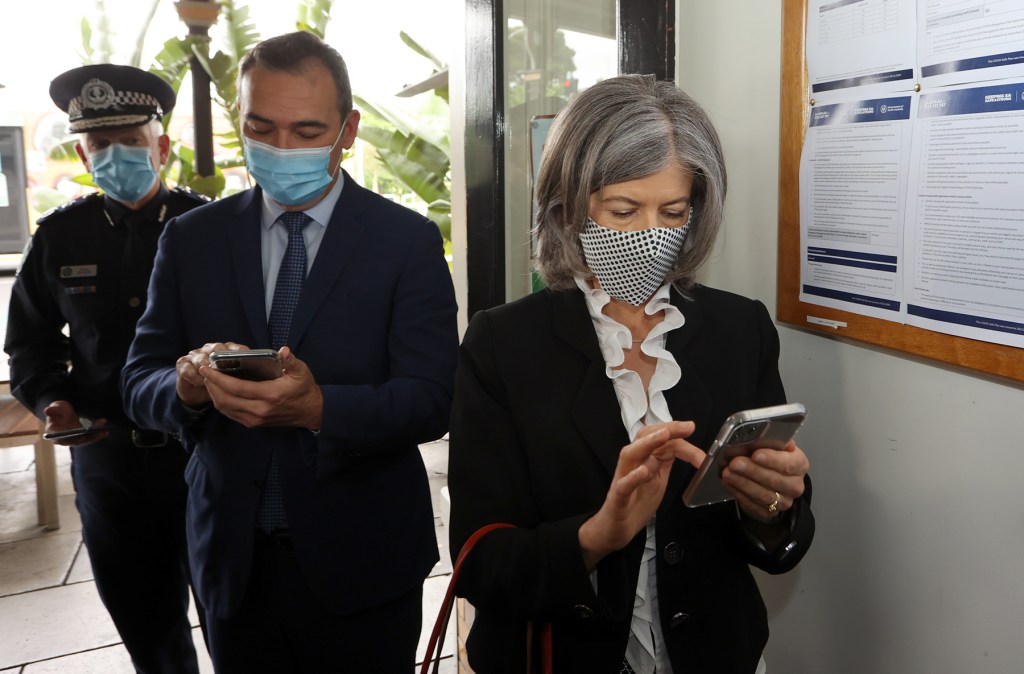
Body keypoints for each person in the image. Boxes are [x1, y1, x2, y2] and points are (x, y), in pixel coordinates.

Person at [448, 74, 815, 674]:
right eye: (624, 210)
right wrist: (596, 535)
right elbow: (478, 561)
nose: (649, 235)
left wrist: (774, 501)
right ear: (570, 203)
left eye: (672, 212)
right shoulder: (503, 343)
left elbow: (778, 541)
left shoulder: (739, 329)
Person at [120, 31, 458, 672]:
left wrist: (319, 408)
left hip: (361, 556)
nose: (282, 149)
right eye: (262, 128)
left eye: (307, 131)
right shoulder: (192, 241)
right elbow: (139, 382)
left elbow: (433, 399)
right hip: (232, 560)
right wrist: (188, 385)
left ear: (348, 130)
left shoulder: (404, 242)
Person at [5, 64, 210, 673]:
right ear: (82, 152)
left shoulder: (207, 230)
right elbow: (31, 345)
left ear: (162, 146)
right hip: (107, 461)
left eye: (131, 142)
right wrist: (52, 404)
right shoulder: (59, 238)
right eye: (101, 145)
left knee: (230, 605)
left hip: (200, 451)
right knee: (145, 623)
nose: (116, 156)